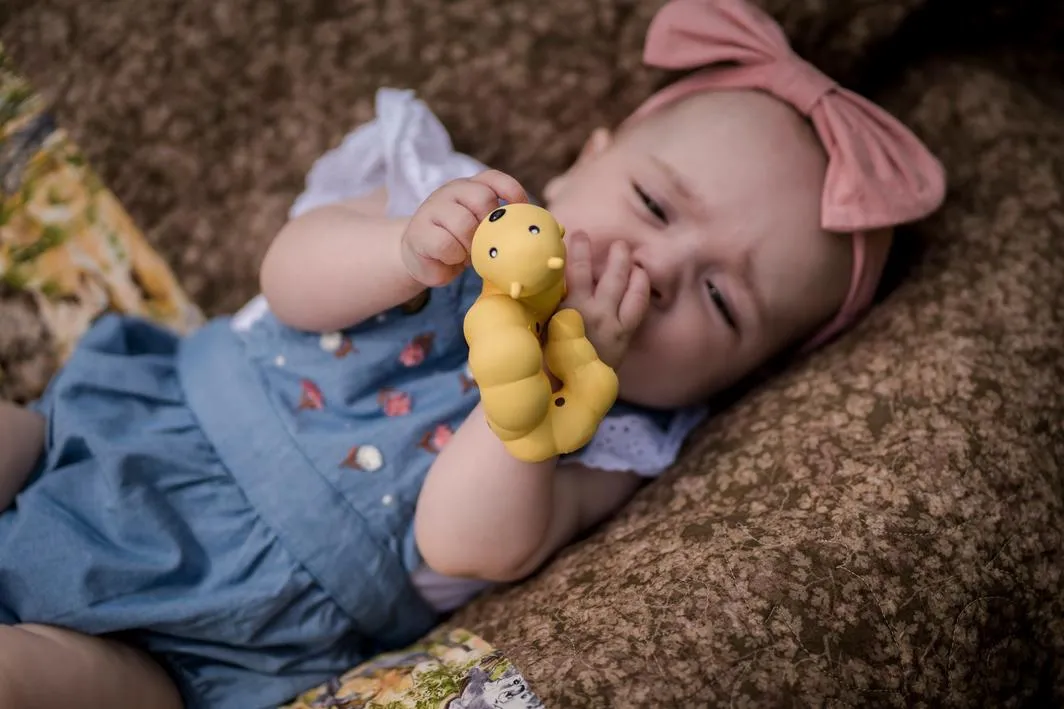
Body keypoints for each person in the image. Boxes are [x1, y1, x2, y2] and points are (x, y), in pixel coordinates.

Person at [0, 0, 945, 707]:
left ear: (736, 380)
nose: (655, 267)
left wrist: (538, 386)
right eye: (655, 205)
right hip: (124, 434)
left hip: (228, 630)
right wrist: (401, 248)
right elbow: (288, 277)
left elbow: (467, 542)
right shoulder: (448, 202)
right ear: (585, 160)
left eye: (719, 298)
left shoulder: (617, 438)